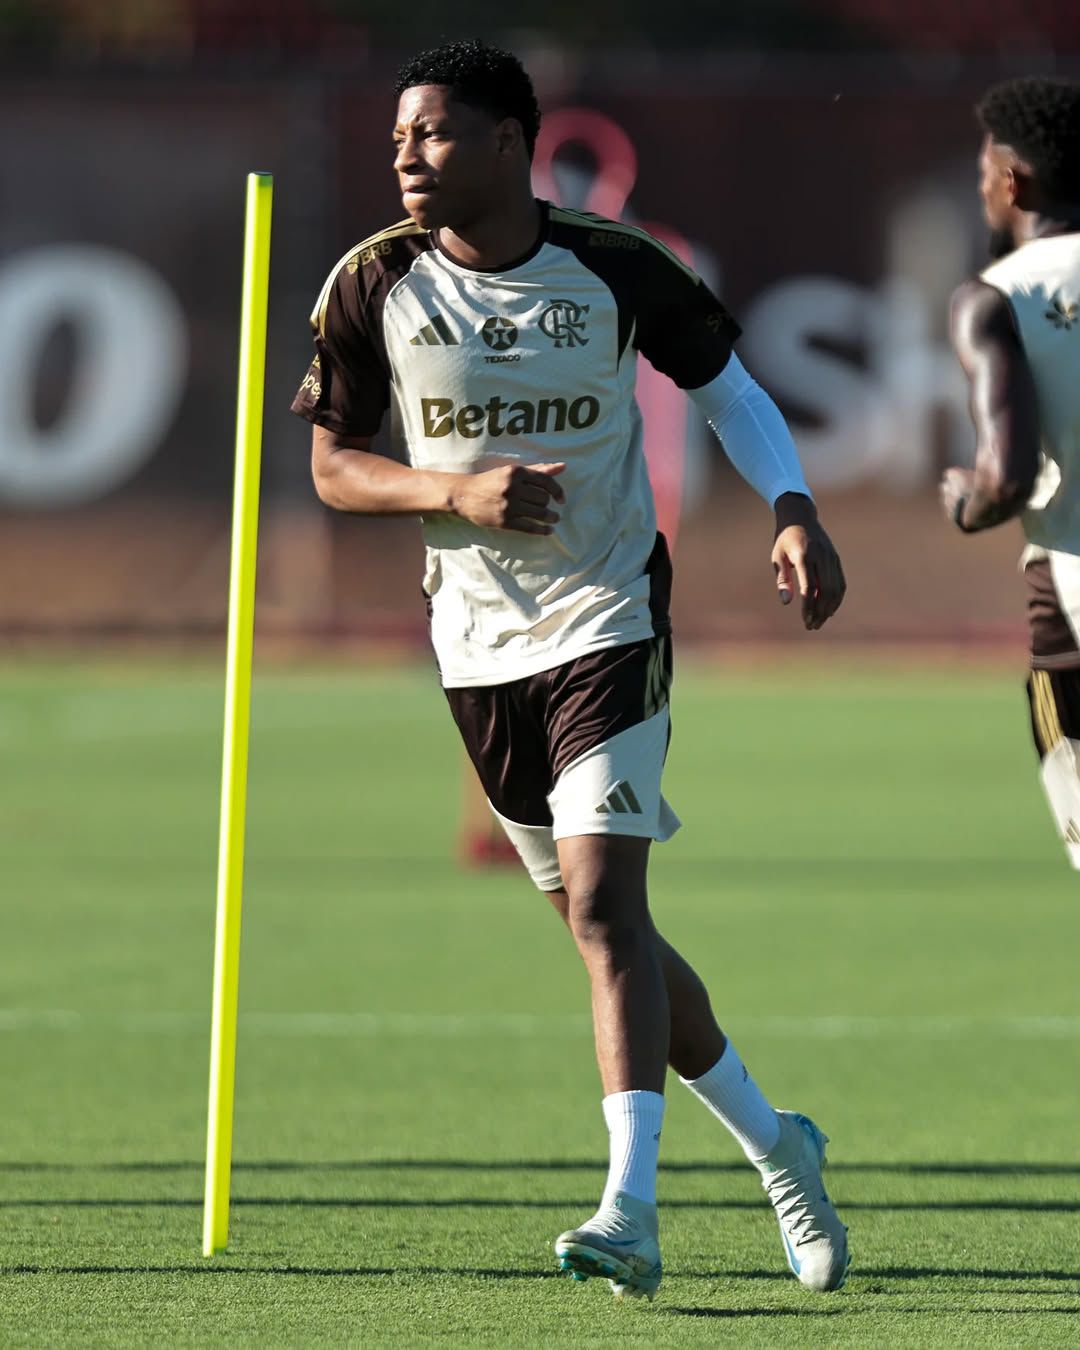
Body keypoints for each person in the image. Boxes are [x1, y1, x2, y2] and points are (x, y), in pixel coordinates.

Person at [292, 39, 849, 1299]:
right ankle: (780, 1147)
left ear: (507, 140)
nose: (405, 158)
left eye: (431, 134)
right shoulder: (371, 280)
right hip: (476, 648)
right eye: (395, 139)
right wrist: (456, 494)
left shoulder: (610, 266)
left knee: (605, 910)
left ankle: (628, 1212)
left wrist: (795, 509)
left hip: (609, 618)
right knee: (616, 941)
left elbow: (729, 390)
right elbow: (334, 465)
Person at [941, 77, 1080, 864]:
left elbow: (1007, 480)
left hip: (1071, 593)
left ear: (1014, 181)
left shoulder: (998, 296)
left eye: (983, 177)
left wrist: (964, 501)